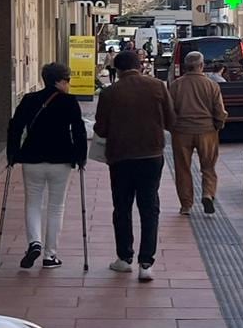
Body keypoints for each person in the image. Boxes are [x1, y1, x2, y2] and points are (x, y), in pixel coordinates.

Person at [93, 48, 175, 282]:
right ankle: (146, 263)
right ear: (139, 66)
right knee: (150, 208)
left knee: (122, 207)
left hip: (120, 157)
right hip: (151, 155)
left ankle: (124, 258)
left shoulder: (110, 93)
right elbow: (171, 120)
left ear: (117, 70)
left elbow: (100, 128)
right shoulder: (158, 86)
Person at [6, 62, 87, 269]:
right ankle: (50, 256)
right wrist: (81, 157)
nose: (69, 84)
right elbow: (79, 130)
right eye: (67, 80)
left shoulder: (29, 99)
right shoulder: (69, 102)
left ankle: (34, 242)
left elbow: (15, 127)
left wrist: (12, 154)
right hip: (61, 159)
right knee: (56, 207)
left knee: (33, 203)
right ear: (59, 81)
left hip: (32, 158)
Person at [169, 50, 227, 216]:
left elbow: (169, 110)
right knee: (208, 167)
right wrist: (218, 124)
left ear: (186, 67)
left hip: (182, 132)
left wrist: (173, 127)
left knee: (182, 168)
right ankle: (207, 194)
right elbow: (219, 111)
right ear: (201, 66)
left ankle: (186, 205)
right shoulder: (211, 85)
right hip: (206, 131)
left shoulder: (176, 85)